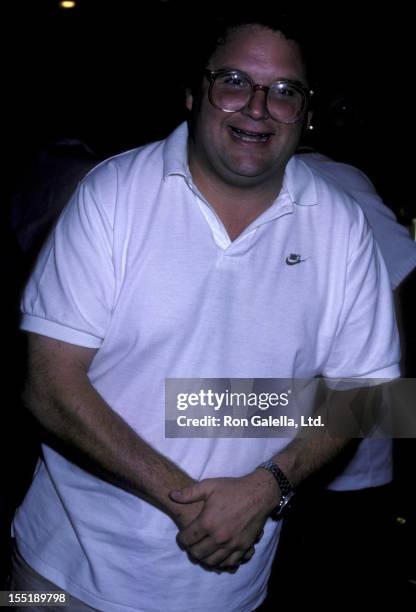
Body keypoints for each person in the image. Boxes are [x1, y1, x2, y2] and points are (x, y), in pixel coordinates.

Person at [10, 12, 400, 611]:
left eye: (284, 92)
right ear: (196, 94)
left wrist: (268, 486)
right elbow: (48, 384)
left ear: (307, 112)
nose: (258, 108)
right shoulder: (112, 195)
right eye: (235, 81)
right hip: (60, 576)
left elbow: (375, 395)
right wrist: (192, 502)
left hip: (227, 593)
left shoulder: (343, 227)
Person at [264, 151, 416, 605]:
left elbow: (404, 281)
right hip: (251, 455)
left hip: (340, 471)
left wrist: (387, 402)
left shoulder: (331, 181)